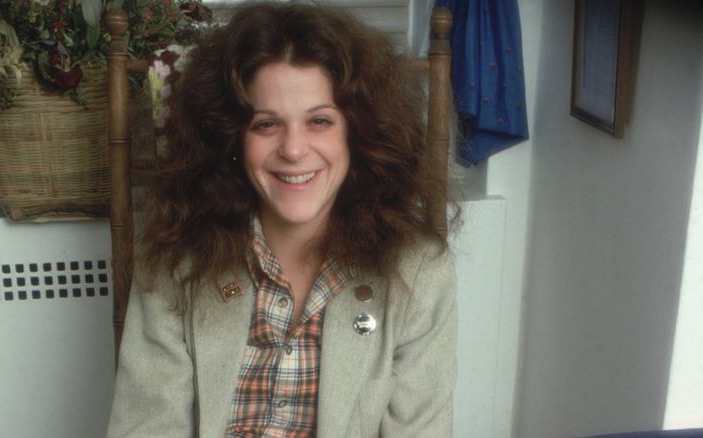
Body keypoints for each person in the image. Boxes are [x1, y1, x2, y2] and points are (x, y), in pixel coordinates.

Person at [107, 2, 457, 437]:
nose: (293, 150)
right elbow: (147, 427)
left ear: (359, 133)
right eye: (266, 124)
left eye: (319, 121)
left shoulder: (418, 272)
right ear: (231, 138)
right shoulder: (175, 262)